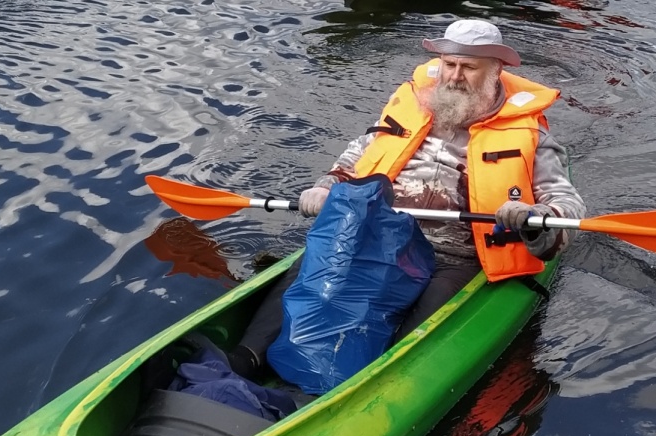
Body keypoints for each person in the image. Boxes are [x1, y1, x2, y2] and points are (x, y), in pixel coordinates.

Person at [227, 18, 586, 379]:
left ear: (496, 71)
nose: (455, 76)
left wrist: (535, 215)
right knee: (310, 268)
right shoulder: (411, 105)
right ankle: (246, 357)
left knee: (420, 321)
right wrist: (327, 184)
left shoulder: (531, 135)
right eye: (449, 64)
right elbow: (360, 154)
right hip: (379, 232)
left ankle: (367, 378)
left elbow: (565, 203)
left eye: (469, 67)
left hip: (453, 255)